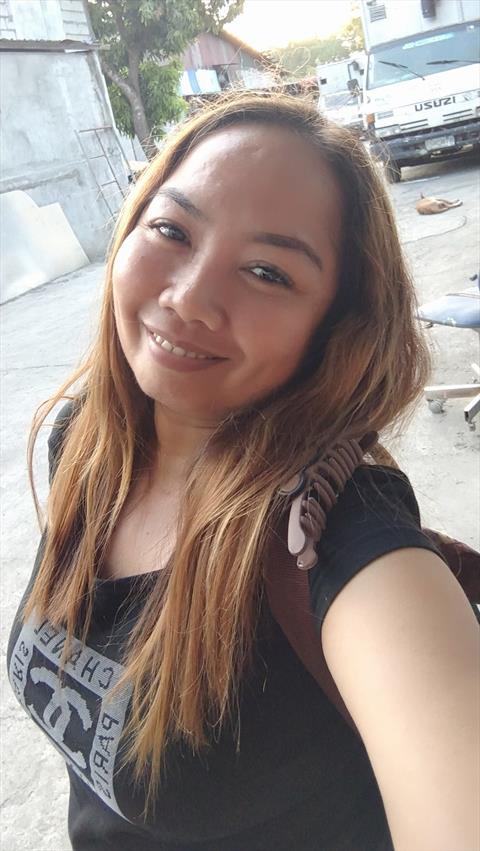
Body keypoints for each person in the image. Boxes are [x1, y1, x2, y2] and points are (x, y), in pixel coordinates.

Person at [7, 92, 479, 851]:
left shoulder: (341, 548)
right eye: (172, 230)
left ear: (336, 326)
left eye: (267, 271)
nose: (189, 298)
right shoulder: (90, 444)